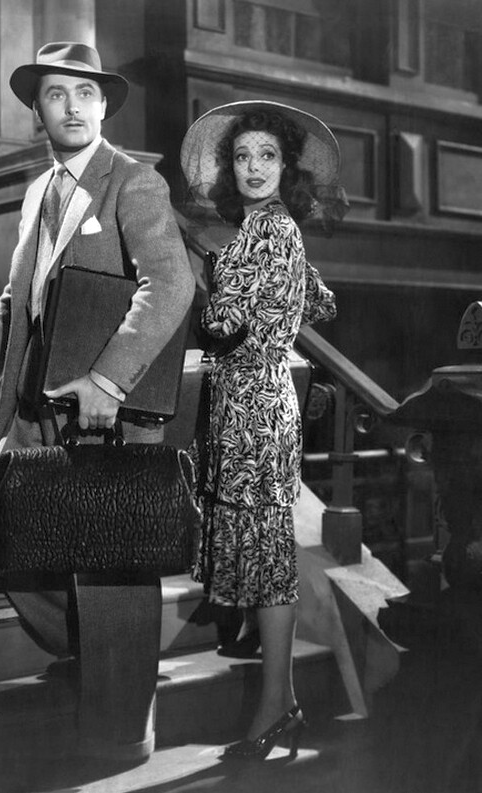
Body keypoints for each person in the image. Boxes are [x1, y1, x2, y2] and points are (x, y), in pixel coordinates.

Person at [0, 42, 195, 761]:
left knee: (113, 568)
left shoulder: (134, 182)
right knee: (5, 530)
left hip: (106, 413)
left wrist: (109, 380)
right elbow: (13, 300)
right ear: (38, 110)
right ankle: (94, 656)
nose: (73, 106)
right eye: (57, 94)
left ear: (104, 106)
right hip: (35, 407)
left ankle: (123, 727)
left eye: (86, 93)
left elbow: (170, 285)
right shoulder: (38, 192)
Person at [180, 100, 347, 760]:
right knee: (261, 555)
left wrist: (205, 281)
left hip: (255, 406)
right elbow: (320, 301)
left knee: (269, 560)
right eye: (242, 156)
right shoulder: (266, 230)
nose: (253, 167)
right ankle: (283, 702)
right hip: (249, 400)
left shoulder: (270, 230)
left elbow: (220, 324)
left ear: (287, 167)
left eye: (267, 156)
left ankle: (277, 707)